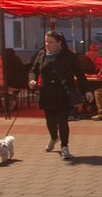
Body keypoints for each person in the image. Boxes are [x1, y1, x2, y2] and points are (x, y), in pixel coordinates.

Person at [28, 30, 91, 160]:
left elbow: (80, 75)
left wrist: (87, 90)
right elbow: (33, 70)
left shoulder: (69, 56)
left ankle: (64, 146)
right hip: (46, 92)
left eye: (50, 42)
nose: (47, 44)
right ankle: (53, 137)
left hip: (63, 93)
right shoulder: (41, 54)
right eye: (46, 41)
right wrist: (32, 80)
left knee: (62, 121)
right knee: (50, 120)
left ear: (59, 43)